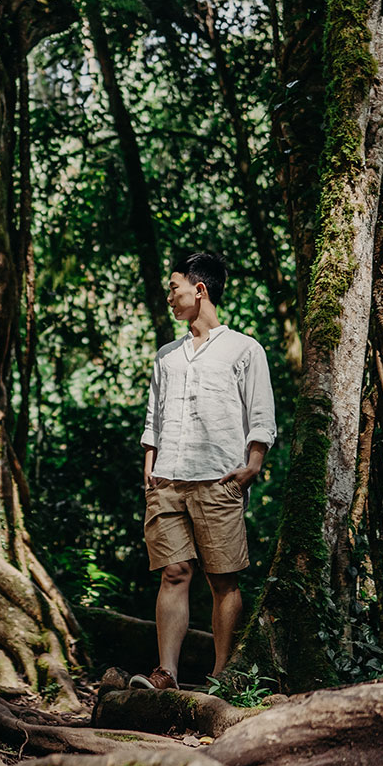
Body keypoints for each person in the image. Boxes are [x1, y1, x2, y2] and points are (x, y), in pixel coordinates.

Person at [131, 252, 276, 690]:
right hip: (167, 480)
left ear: (199, 290)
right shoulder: (167, 356)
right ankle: (166, 673)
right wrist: (150, 465)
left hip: (219, 479)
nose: (169, 297)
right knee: (173, 573)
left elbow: (261, 413)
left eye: (173, 288)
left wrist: (252, 466)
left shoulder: (244, 349)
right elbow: (154, 417)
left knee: (222, 580)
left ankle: (221, 677)